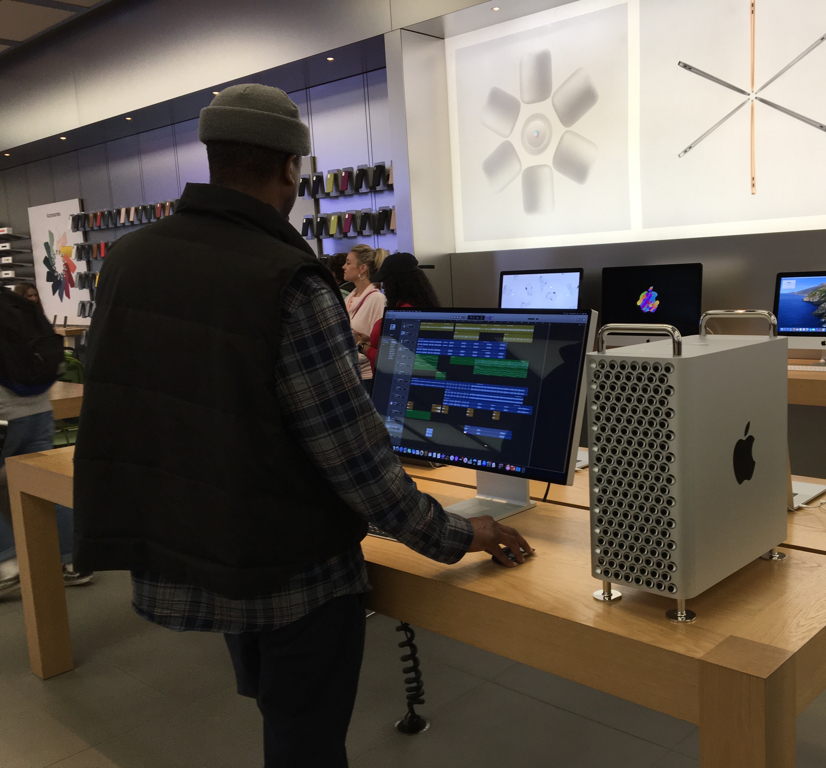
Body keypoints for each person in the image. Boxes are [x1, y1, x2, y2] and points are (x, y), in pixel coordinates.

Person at [72, 84, 531, 768]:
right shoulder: (289, 280)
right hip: (291, 574)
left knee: (282, 721)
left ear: (212, 154)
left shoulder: (129, 262)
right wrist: (461, 533)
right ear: (292, 167)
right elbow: (356, 461)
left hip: (200, 546)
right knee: (306, 742)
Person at [0, 287, 91, 596]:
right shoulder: (14, 302)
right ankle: (72, 562)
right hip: (39, 408)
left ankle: (6, 566)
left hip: (3, 415)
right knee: (43, 485)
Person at [364, 251, 440, 374]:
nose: (383, 287)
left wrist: (363, 348)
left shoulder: (405, 314)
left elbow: (394, 359)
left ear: (396, 283)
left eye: (386, 282)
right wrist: (369, 340)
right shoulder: (419, 307)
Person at [342, 244, 387, 393]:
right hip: (350, 375)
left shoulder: (377, 299)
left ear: (362, 268)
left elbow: (380, 342)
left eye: (348, 263)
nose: (343, 267)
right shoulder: (349, 298)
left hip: (367, 378)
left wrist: (357, 343)